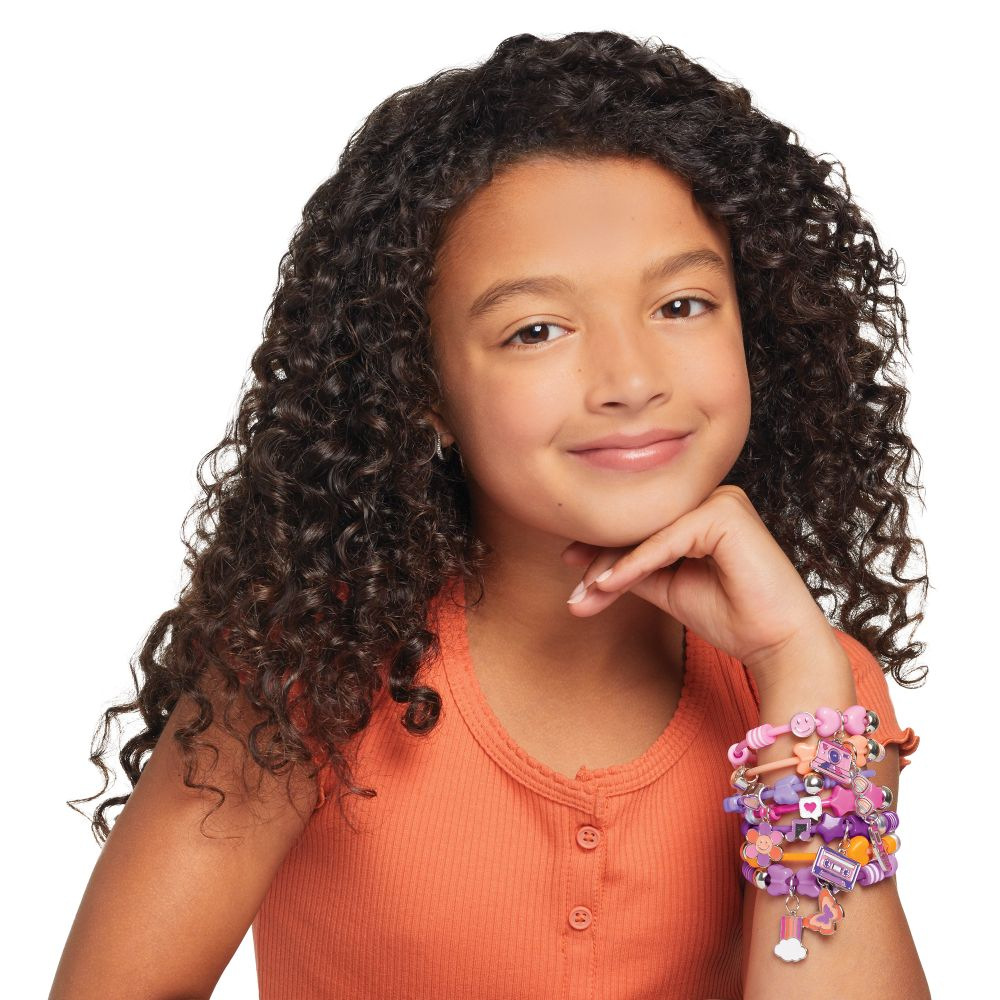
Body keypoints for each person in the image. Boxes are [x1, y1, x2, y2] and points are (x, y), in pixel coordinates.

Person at [50, 30, 930, 1000]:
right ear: (424, 390)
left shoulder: (820, 690)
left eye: (681, 305)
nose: (630, 379)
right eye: (535, 329)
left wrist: (795, 675)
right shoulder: (306, 672)